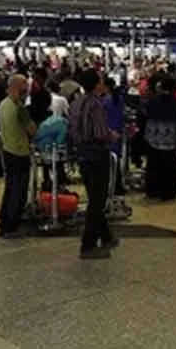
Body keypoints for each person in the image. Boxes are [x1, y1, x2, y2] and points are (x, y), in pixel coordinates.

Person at [69, 70, 119, 259]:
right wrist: (112, 135)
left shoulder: (76, 102)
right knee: (98, 199)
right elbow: (100, 133)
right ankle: (87, 244)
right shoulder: (96, 104)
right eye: (100, 80)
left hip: (82, 153)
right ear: (96, 84)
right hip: (97, 154)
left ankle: (106, 236)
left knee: (94, 195)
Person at [0, 74, 36, 238]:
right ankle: (12, 225)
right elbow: (32, 130)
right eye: (24, 86)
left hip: (7, 150)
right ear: (18, 87)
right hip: (20, 152)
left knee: (9, 188)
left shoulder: (3, 104)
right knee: (18, 191)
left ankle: (4, 221)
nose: (26, 90)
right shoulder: (19, 107)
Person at [143, 73, 176, 200]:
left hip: (154, 137)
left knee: (153, 166)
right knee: (168, 167)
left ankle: (153, 190)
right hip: (169, 138)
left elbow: (146, 113)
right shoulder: (174, 101)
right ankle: (168, 192)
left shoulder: (153, 100)